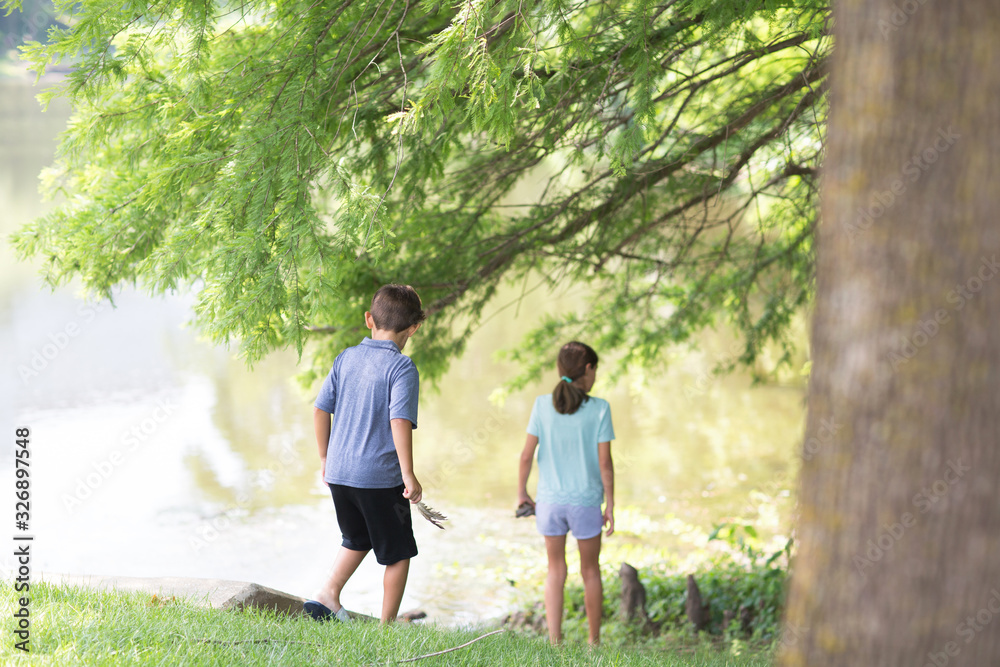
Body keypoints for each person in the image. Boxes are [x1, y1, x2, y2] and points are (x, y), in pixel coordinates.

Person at [304, 284, 425, 624]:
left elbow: (319, 410)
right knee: (398, 554)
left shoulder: (345, 358)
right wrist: (408, 474)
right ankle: (385, 630)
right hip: (378, 477)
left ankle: (327, 594)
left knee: (357, 537)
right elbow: (399, 419)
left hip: (340, 473)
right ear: (414, 327)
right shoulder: (401, 368)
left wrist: (326, 459)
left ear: (369, 319)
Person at [517, 341, 615, 645]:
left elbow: (525, 456)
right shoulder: (599, 409)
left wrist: (521, 493)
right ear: (588, 369)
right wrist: (610, 505)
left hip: (549, 503)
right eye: (595, 369)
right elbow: (605, 464)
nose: (596, 375)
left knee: (555, 570)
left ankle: (555, 642)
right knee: (590, 572)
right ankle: (593, 642)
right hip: (586, 503)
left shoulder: (541, 405)